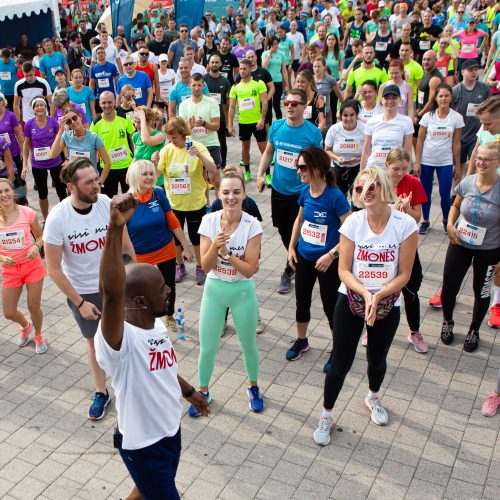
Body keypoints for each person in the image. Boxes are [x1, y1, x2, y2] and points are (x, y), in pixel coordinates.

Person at [94, 192, 208, 500]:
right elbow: (112, 294)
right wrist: (115, 228)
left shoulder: (155, 324)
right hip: (144, 445)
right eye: (161, 288)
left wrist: (189, 393)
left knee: (145, 492)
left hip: (170, 429)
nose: (169, 288)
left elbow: (163, 367)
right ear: (141, 301)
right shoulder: (120, 342)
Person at [313, 167, 418, 446]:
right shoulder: (353, 223)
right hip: (351, 299)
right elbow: (344, 271)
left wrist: (380, 294)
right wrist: (366, 294)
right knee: (339, 363)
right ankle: (327, 414)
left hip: (387, 302)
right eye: (360, 189)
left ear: (383, 187)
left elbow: (405, 273)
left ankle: (372, 397)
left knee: (377, 358)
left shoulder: (405, 225)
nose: (365, 193)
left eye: (371, 187)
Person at [44, 159, 135, 420]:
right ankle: (101, 391)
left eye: (97, 179)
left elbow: (126, 247)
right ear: (72, 187)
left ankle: (129, 385)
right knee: (95, 343)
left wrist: (135, 277)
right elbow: (53, 269)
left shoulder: (107, 204)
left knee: (127, 337)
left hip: (117, 283)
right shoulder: (57, 218)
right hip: (85, 292)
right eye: (89, 182)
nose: (97, 185)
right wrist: (80, 302)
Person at [189, 170, 264, 416]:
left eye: (236, 192)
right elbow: (205, 266)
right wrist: (215, 246)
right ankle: (202, 392)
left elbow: (250, 270)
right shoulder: (209, 221)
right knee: (207, 347)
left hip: (242, 291)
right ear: (218, 194)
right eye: (226, 192)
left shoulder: (252, 224)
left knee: (248, 345)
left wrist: (228, 254)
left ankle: (253, 387)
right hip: (215, 290)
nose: (231, 197)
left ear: (244, 194)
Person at [286, 147, 351, 368]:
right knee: (301, 301)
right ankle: (302, 341)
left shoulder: (335, 196)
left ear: (318, 168)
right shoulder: (305, 192)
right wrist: (291, 248)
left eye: (303, 167)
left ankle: (338, 348)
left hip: (327, 263)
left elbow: (350, 232)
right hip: (304, 257)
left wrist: (332, 255)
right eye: (298, 167)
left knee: (330, 306)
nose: (299, 172)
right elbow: (299, 219)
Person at [257, 89, 323, 294]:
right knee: (281, 227)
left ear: (304, 107)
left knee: (299, 229)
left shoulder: (312, 133)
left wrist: (317, 186)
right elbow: (268, 152)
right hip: (278, 189)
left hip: (301, 191)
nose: (289, 106)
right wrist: (260, 174)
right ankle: (295, 258)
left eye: (294, 103)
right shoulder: (276, 126)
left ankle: (290, 268)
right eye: (287, 102)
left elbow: (319, 163)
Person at [440, 142, 500, 352]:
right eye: (479, 158)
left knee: (481, 292)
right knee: (449, 287)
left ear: (497, 163)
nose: (481, 163)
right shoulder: (468, 181)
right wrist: (449, 225)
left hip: (489, 249)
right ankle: (447, 322)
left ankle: (474, 330)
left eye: (487, 159)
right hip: (460, 243)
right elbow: (455, 205)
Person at [126, 159, 193, 331]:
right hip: (140, 254)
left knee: (169, 286)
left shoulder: (158, 193)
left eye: (151, 173)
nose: (149, 177)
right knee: (143, 289)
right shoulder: (126, 202)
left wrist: (185, 247)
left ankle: (169, 315)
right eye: (145, 174)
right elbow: (121, 235)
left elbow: (173, 222)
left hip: (165, 249)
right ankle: (147, 318)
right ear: (135, 176)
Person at [156, 117, 219, 286]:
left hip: (194, 203)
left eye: (175, 137)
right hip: (173, 204)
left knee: (196, 237)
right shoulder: (167, 150)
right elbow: (157, 175)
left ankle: (200, 266)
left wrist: (199, 156)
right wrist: (155, 163)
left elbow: (213, 169)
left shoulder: (197, 147)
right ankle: (180, 265)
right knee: (175, 238)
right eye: (170, 137)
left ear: (184, 134)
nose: (172, 140)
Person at [386, 148, 429, 353]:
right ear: (387, 166)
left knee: (411, 290)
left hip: (406, 245)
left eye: (405, 168)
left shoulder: (413, 183)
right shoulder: (378, 183)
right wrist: (391, 209)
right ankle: (373, 327)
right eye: (396, 169)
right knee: (381, 288)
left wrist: (406, 208)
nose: (400, 173)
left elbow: (417, 218)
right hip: (384, 246)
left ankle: (414, 331)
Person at [0, 178, 46, 353]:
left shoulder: (27, 212)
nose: (4, 195)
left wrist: (36, 246)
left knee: (33, 306)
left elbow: (41, 237)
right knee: (9, 313)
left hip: (32, 265)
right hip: (11, 271)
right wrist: (3, 258)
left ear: (13, 191)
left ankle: (38, 334)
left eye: (7, 190)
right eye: (0, 192)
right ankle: (25, 326)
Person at [415, 83, 465, 235]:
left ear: (451, 97)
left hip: (445, 161)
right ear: (435, 98)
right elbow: (420, 140)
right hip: (427, 160)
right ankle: (426, 220)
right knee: (425, 192)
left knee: (445, 193)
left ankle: (445, 219)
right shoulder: (427, 116)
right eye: (440, 96)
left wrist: (457, 165)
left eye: (446, 95)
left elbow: (456, 143)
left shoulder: (456, 118)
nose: (443, 98)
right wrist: (417, 161)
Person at [22, 97, 67, 221]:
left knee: (61, 191)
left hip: (55, 162)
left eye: (42, 105)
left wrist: (66, 158)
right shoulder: (29, 124)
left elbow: (62, 139)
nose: (40, 107)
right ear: (33, 109)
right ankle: (46, 219)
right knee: (42, 194)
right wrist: (25, 164)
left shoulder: (53, 121)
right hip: (38, 165)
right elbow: (26, 144)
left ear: (46, 107)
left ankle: (65, 217)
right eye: (37, 106)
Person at [452, 59, 492, 189]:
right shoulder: (456, 91)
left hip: (476, 136)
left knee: (475, 165)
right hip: (459, 136)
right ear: (462, 72)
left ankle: (474, 191)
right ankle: (455, 194)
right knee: (458, 167)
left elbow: (490, 107)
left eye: (476, 69)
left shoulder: (483, 88)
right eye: (470, 70)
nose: (474, 72)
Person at [228, 59, 268, 182]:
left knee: (263, 148)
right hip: (243, 122)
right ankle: (247, 171)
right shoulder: (235, 87)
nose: (242, 71)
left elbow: (265, 102)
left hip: (257, 121)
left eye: (245, 69)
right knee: (245, 148)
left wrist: (262, 119)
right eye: (240, 69)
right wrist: (230, 124)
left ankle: (267, 174)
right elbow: (232, 106)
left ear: (250, 69)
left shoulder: (259, 83)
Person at [90, 91, 136, 197]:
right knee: (109, 202)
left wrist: (135, 160)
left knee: (130, 199)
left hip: (127, 166)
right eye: (104, 103)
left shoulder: (125, 118)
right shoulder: (96, 123)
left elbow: (133, 140)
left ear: (115, 102)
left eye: (110, 102)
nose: (107, 106)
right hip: (107, 169)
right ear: (100, 104)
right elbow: (93, 148)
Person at [50, 107, 110, 182]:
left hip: (90, 182)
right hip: (74, 182)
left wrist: (100, 183)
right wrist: (61, 130)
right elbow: (53, 155)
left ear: (80, 117)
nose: (73, 122)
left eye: (74, 118)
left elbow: (107, 163)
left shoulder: (94, 137)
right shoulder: (66, 136)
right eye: (68, 121)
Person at [361, 85, 413, 169]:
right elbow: (366, 151)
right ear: (381, 99)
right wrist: (362, 174)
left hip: (395, 171)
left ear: (400, 99)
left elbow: (408, 151)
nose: (390, 101)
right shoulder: (372, 121)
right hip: (374, 170)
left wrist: (406, 175)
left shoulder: (406, 121)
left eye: (394, 98)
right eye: (387, 98)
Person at [179, 74, 221, 169]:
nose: (197, 88)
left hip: (211, 144)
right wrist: (190, 126)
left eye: (199, 85)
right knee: (196, 179)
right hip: (192, 146)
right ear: (189, 85)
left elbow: (216, 126)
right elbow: (181, 130)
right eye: (194, 85)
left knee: (215, 179)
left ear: (203, 86)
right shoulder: (183, 105)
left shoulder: (212, 102)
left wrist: (204, 123)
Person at [325, 100, 365, 196]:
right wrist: (337, 158)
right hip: (338, 168)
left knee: (358, 201)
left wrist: (359, 159)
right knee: (338, 199)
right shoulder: (334, 129)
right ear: (341, 116)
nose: (348, 118)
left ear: (356, 115)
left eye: (352, 115)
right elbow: (327, 150)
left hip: (358, 168)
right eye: (345, 115)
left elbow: (371, 151)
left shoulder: (364, 129)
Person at [204, 53, 231, 169]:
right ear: (209, 64)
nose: (214, 64)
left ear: (220, 64)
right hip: (205, 117)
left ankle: (223, 164)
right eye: (212, 62)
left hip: (220, 116)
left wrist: (228, 123)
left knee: (222, 141)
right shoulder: (204, 79)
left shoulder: (224, 81)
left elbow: (227, 104)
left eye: (216, 62)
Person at [0, 92, 26, 205]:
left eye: (0, 100)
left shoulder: (10, 115)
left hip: (14, 151)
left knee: (19, 179)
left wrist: (22, 150)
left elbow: (18, 134)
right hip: (1, 155)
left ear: (3, 101)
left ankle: (23, 200)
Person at [313, 56, 343, 130]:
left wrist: (342, 108)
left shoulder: (330, 80)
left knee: (326, 135)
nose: (317, 69)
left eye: (319, 66)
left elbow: (339, 96)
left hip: (326, 112)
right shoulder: (310, 80)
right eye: (315, 66)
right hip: (313, 112)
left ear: (324, 67)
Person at [262, 37, 287, 121]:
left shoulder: (281, 54)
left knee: (276, 104)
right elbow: (264, 66)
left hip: (278, 81)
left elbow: (284, 70)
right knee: (268, 103)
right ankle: (268, 123)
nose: (275, 46)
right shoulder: (265, 53)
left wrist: (287, 84)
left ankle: (279, 121)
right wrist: (270, 54)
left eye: (276, 43)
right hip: (268, 82)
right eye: (273, 44)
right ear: (270, 45)